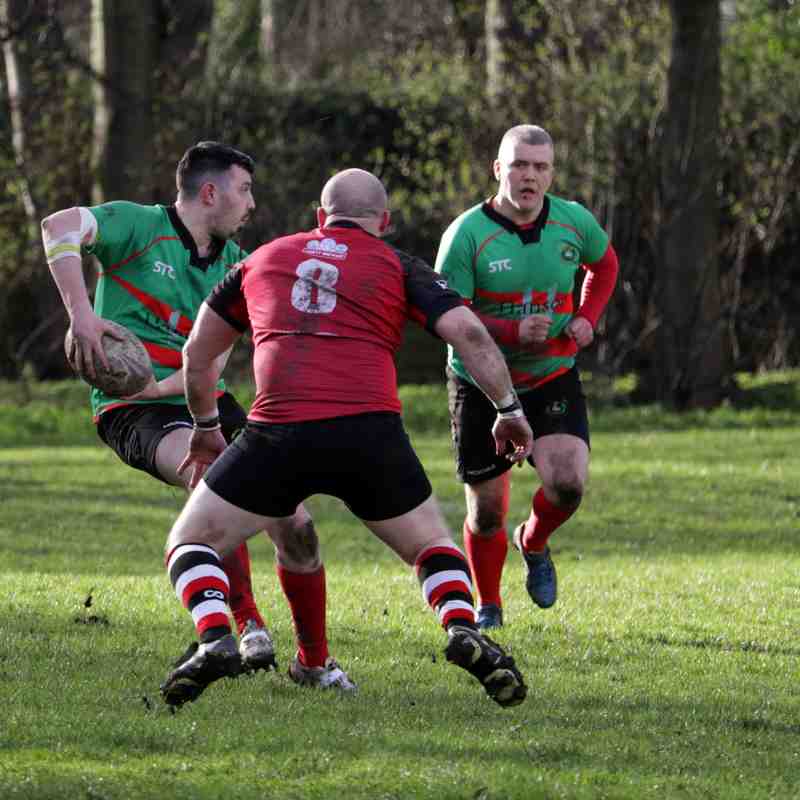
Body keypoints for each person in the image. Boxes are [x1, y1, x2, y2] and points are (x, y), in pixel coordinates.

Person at [158, 168, 534, 709]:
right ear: (383, 222)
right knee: (432, 549)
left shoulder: (259, 259)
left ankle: (217, 634)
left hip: (278, 433)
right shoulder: (399, 264)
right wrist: (508, 409)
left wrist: (206, 428)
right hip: (369, 435)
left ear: (319, 217)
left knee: (190, 544)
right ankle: (460, 625)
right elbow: (470, 334)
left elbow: (198, 353)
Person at [40, 141, 349, 688]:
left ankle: (313, 663)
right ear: (211, 192)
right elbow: (58, 227)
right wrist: (82, 315)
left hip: (201, 397)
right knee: (218, 478)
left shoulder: (234, 264)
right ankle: (242, 625)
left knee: (296, 522)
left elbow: (216, 360)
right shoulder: (137, 226)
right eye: (244, 190)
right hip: (132, 412)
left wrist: (165, 381)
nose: (251, 204)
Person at [435, 124, 619, 629]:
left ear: (551, 173)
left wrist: (587, 315)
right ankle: (488, 607)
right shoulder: (467, 235)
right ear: (498, 169)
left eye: (540, 167)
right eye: (519, 165)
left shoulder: (574, 222)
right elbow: (447, 314)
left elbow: (605, 267)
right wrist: (509, 330)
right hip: (481, 385)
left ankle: (533, 542)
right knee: (487, 511)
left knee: (568, 486)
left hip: (551, 375)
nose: (529, 176)